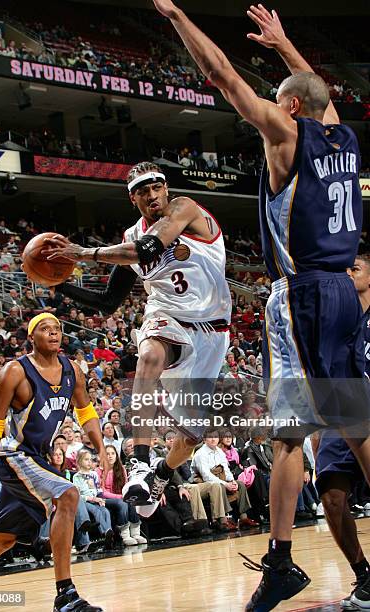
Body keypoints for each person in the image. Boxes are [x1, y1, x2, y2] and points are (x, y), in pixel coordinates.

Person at [151, 1, 368, 610]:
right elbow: (321, 93)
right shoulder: (342, 134)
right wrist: (283, 44)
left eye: (280, 99)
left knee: (287, 432)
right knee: (353, 424)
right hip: (343, 292)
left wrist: (176, 18)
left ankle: (280, 562)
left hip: (302, 295)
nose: (273, 106)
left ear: (290, 108)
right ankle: (287, 559)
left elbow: (220, 72)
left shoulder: (287, 134)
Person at [44, 158, 231, 519]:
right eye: (142, 191)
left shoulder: (184, 208)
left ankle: (161, 473)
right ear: (134, 199)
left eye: (156, 186)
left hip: (212, 331)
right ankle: (141, 463)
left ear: (166, 189)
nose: (152, 195)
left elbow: (148, 248)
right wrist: (60, 284)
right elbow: (109, 301)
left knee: (191, 437)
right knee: (148, 356)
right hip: (168, 317)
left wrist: (84, 253)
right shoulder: (132, 236)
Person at [0, 313, 107, 612]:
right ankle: (65, 594)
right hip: (12, 454)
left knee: (3, 538)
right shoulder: (14, 372)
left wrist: (101, 447)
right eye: (45, 329)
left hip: (37, 458)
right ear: (31, 336)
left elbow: (86, 412)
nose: (53, 333)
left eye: (57, 329)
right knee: (68, 493)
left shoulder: (72, 371)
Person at [314, 254, 370, 610]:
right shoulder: (335, 319)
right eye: (345, 269)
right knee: (332, 495)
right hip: (343, 415)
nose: (348, 273)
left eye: (357, 268)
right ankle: (364, 576)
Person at [98, 445, 146, 546]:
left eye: (112, 453)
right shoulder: (99, 471)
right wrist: (120, 497)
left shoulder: (122, 469)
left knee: (131, 500)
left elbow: (125, 486)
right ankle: (125, 535)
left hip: (120, 497)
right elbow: (102, 492)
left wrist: (124, 496)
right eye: (107, 454)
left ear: (116, 456)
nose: (110, 456)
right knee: (123, 503)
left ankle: (136, 533)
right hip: (104, 499)